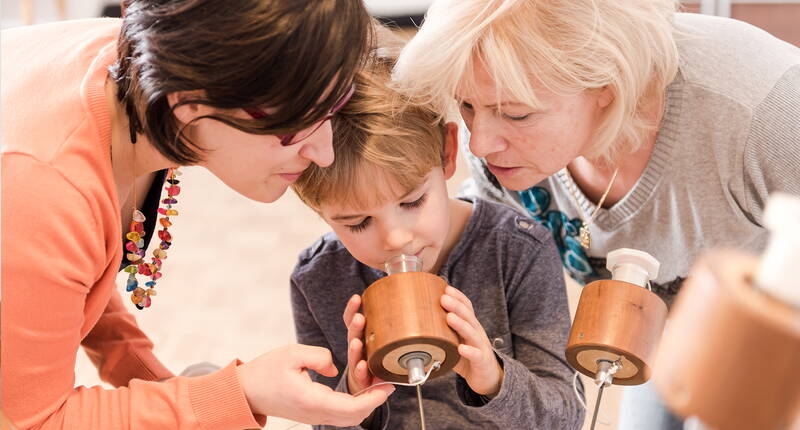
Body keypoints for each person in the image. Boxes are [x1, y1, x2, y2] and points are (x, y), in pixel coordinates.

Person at [391, 0, 800, 428]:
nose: (480, 144)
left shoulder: (766, 112)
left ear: (607, 82)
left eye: (516, 113)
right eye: (467, 106)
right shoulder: (502, 139)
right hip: (652, 328)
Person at [0, 1, 394, 428]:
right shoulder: (43, 187)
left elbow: (62, 276)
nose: (325, 152)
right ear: (188, 101)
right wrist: (238, 392)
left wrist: (159, 381)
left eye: (334, 106)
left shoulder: (140, 81)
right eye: (293, 128)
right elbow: (33, 420)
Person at [289, 58, 584, 430]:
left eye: (412, 202)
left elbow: (567, 416)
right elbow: (323, 422)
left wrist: (491, 377)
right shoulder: (318, 278)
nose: (396, 238)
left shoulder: (519, 250)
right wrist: (351, 398)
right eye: (358, 222)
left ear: (447, 153)